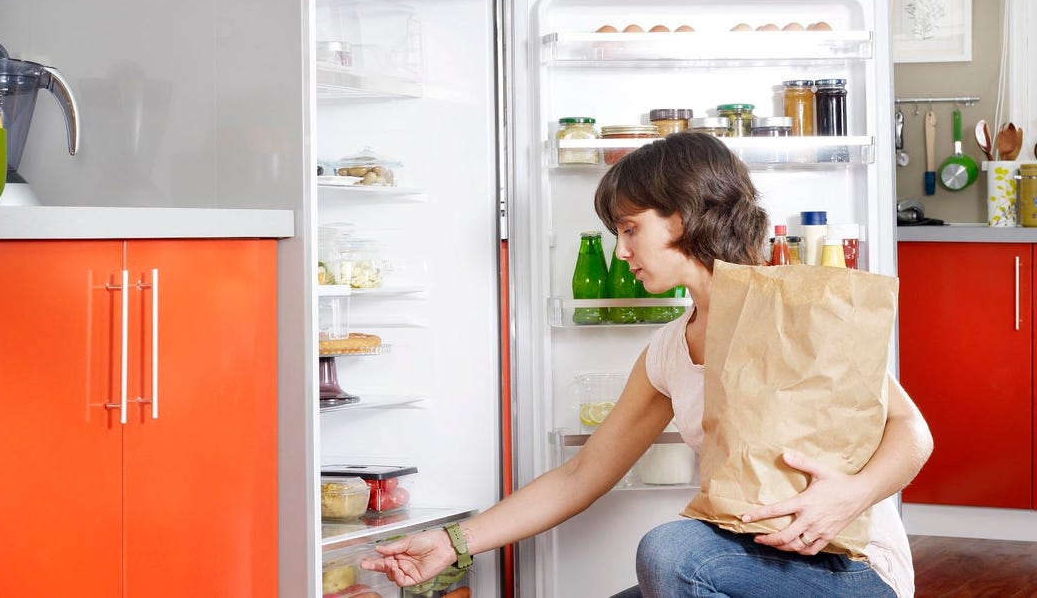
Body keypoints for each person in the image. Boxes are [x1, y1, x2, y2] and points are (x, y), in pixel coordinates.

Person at [360, 132, 933, 597]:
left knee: (670, 551)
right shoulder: (668, 351)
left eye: (631, 229)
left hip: (847, 567)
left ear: (682, 218)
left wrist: (851, 495)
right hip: (743, 561)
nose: (621, 251)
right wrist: (451, 542)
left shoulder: (795, 310)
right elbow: (581, 476)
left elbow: (912, 431)